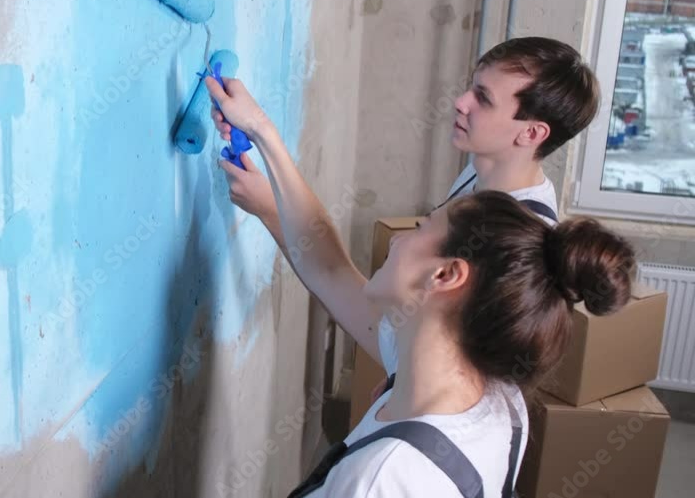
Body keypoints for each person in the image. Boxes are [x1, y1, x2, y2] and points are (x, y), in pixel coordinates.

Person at [203, 76, 635, 498]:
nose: (395, 239)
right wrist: (263, 143)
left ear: (446, 275)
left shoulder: (382, 481)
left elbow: (336, 276)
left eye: (421, 229)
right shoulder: (496, 404)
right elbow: (332, 272)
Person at [213, 36, 601, 395]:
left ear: (532, 134)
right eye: (472, 86)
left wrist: (262, 131)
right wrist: (269, 203)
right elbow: (346, 287)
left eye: (483, 99)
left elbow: (362, 308)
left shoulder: (506, 243)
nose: (461, 101)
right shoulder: (483, 172)